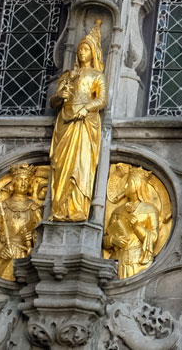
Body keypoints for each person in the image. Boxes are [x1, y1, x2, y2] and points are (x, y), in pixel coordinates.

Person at [49, 22, 108, 221]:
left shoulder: (97, 76)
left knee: (80, 166)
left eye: (86, 49)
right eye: (80, 49)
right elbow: (54, 100)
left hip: (85, 123)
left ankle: (77, 208)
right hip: (65, 122)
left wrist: (86, 108)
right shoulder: (68, 75)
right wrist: (60, 96)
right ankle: (59, 208)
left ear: (93, 53)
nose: (82, 52)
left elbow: (102, 100)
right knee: (62, 165)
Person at [0, 163, 46, 279]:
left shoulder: (34, 209)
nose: (23, 183)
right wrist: (0, 248)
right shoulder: (1, 207)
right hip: (3, 255)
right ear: (13, 183)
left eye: (26, 180)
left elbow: (44, 235)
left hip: (24, 254)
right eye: (20, 180)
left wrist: (32, 236)